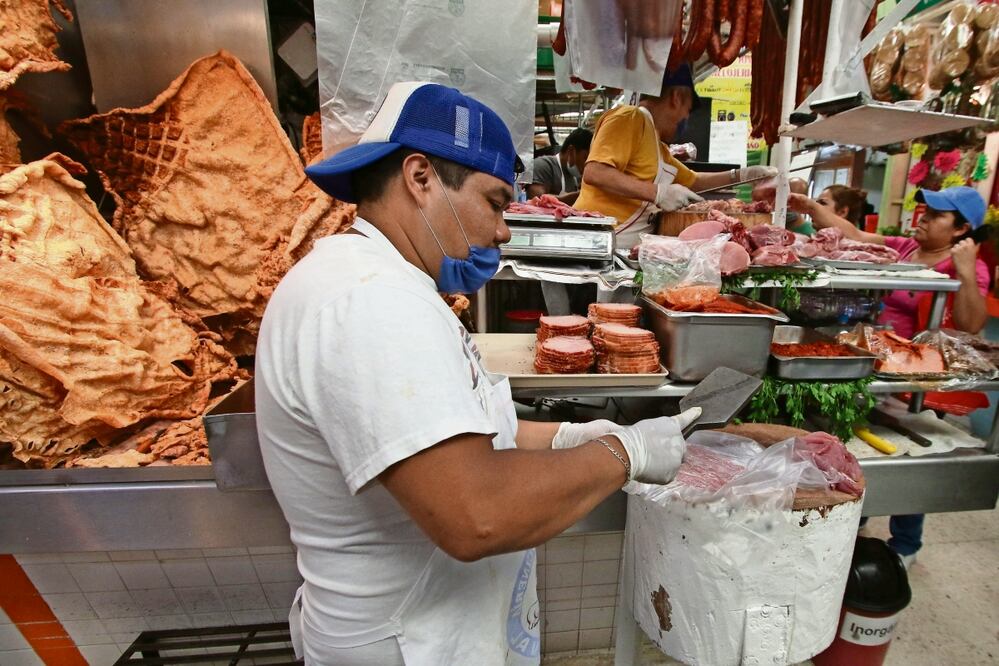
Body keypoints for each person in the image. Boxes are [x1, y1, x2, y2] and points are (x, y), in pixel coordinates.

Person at [255, 81, 700, 665]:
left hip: (424, 629)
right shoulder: (369, 302)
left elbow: (452, 436)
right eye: (493, 202)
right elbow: (478, 515)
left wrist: (565, 438)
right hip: (407, 643)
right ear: (420, 178)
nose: (503, 231)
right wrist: (626, 453)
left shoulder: (388, 285)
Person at [790, 185, 989, 568]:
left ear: (962, 229)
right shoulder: (907, 248)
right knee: (862, 449)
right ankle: (858, 520)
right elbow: (859, 236)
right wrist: (812, 207)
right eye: (925, 211)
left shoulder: (966, 265)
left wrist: (964, 273)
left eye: (937, 215)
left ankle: (905, 544)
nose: (925, 218)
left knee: (914, 462)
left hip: (919, 378)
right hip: (876, 361)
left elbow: (971, 323)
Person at [574, 63, 777, 249]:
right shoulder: (630, 118)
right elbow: (595, 172)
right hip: (595, 247)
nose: (686, 118)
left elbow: (694, 181)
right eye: (687, 110)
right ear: (676, 97)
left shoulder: (658, 146)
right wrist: (658, 193)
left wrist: (742, 175)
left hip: (620, 249)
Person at [526, 128, 592, 205]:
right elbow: (537, 200)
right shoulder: (543, 165)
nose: (586, 164)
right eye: (585, 157)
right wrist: (577, 196)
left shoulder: (577, 178)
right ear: (571, 151)